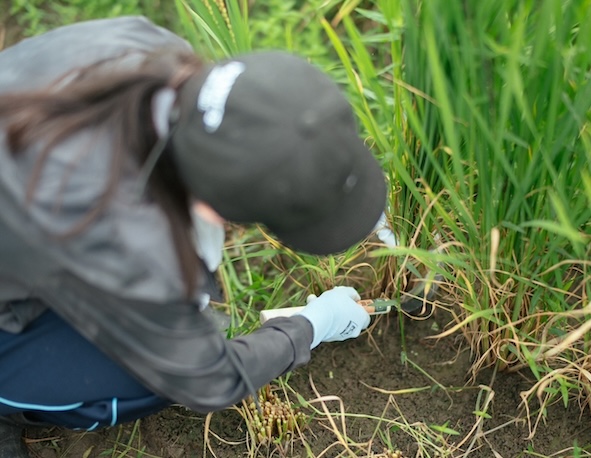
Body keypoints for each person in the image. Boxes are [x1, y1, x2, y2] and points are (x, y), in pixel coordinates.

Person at [0, 16, 387, 457]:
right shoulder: (123, 240)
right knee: (144, 378)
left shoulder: (148, 44)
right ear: (213, 209)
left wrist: (345, 181)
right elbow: (208, 379)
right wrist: (309, 327)